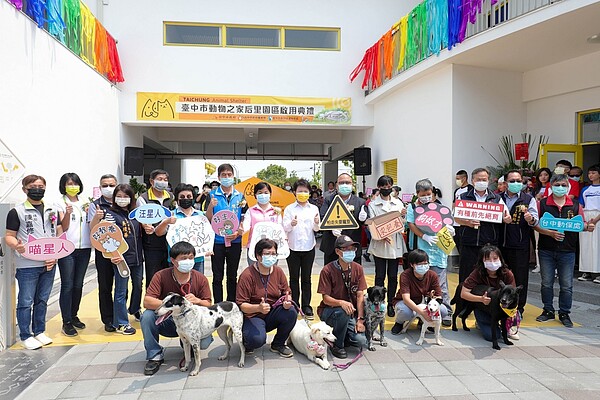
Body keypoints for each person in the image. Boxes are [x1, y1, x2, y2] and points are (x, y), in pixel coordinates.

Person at [141, 241, 213, 375]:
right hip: (168, 321)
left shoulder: (200, 278)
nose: (188, 261)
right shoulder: (161, 276)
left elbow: (208, 304)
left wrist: (197, 301)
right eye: (183, 258)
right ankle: (154, 355)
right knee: (147, 316)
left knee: (204, 343)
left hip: (192, 323)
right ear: (173, 260)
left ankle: (188, 346)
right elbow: (147, 301)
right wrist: (171, 306)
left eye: (191, 258)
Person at [5, 175, 60, 349]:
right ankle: (25, 335)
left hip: (49, 263)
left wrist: (55, 254)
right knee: (25, 301)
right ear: (25, 189)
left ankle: (39, 331)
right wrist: (17, 246)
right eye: (33, 186)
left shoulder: (52, 209)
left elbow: (57, 234)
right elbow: (9, 236)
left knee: (42, 299)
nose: (38, 189)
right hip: (28, 265)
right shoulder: (17, 211)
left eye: (41, 186)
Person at [534, 174, 595, 327]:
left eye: (563, 185)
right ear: (551, 186)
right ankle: (547, 310)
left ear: (567, 186)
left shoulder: (575, 205)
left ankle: (564, 312)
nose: (560, 188)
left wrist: (589, 227)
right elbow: (535, 225)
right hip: (546, 250)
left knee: (566, 284)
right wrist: (550, 233)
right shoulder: (542, 204)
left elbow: (582, 224)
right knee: (546, 283)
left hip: (568, 250)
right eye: (557, 184)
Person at [91, 184, 143, 334]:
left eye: (126, 196)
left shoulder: (135, 214)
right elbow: (103, 235)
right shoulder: (110, 214)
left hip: (138, 258)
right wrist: (113, 255)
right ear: (114, 198)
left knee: (138, 286)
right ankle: (121, 323)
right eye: (119, 196)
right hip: (120, 259)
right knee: (121, 291)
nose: (122, 199)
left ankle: (134, 309)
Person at [236, 238, 297, 357]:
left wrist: (287, 300)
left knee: (291, 312)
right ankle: (247, 341)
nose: (271, 257)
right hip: (253, 315)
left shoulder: (278, 271)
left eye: (273, 254)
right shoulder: (247, 275)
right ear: (258, 256)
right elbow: (242, 305)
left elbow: (286, 291)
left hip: (272, 312)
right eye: (267, 254)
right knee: (256, 340)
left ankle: (278, 344)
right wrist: (258, 308)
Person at [406, 179, 454, 326]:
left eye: (429, 194)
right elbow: (411, 224)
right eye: (423, 194)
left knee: (440, 283)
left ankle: (445, 311)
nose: (426, 197)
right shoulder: (412, 207)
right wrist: (424, 236)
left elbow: (447, 223)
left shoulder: (440, 208)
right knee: (422, 284)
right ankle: (423, 312)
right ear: (417, 194)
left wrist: (451, 230)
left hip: (438, 251)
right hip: (421, 250)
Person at [455, 168, 511, 282]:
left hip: (489, 243)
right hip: (469, 242)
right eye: (478, 179)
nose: (481, 182)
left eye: (484, 179)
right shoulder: (464, 197)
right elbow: (456, 218)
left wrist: (507, 219)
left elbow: (506, 217)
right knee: (466, 275)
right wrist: (467, 223)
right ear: (472, 180)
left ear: (489, 181)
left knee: (487, 276)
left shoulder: (496, 198)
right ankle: (465, 298)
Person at [317, 235, 367, 359]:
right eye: (346, 249)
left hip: (351, 312)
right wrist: (341, 303)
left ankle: (344, 335)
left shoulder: (358, 268)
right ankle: (337, 346)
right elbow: (326, 298)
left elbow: (360, 295)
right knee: (343, 311)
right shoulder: (327, 270)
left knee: (360, 341)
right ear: (338, 252)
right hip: (330, 311)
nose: (351, 252)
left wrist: (360, 319)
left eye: (353, 249)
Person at [55, 173, 92, 337]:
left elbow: (91, 223)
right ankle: (66, 321)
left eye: (75, 183)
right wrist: (68, 213)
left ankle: (74, 315)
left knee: (78, 284)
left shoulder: (86, 202)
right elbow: (63, 227)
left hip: (84, 248)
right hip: (67, 248)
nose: (72, 186)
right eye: (69, 183)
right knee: (67, 285)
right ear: (63, 186)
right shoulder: (59, 203)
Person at [206, 163, 247, 303]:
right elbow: (208, 219)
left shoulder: (240, 197)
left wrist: (238, 232)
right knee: (217, 276)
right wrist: (211, 205)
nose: (227, 177)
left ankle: (231, 303)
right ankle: (218, 304)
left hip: (234, 241)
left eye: (229, 175)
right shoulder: (212, 195)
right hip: (217, 242)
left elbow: (244, 218)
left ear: (233, 177)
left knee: (232, 275)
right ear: (218, 177)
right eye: (224, 175)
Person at [499, 170, 538, 317]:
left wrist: (530, 219)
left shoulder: (528, 199)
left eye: (518, 181)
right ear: (505, 182)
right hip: (500, 245)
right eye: (512, 181)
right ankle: (498, 305)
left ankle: (518, 309)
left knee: (520, 278)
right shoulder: (497, 198)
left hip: (519, 245)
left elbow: (535, 220)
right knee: (500, 277)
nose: (516, 183)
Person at [367, 175, 407, 318]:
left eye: (388, 186)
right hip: (380, 242)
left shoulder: (398, 203)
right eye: (383, 186)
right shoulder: (372, 204)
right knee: (379, 275)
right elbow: (371, 223)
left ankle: (390, 303)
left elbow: (403, 223)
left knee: (392, 276)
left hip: (394, 242)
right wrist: (381, 234)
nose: (386, 188)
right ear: (379, 187)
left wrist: (403, 216)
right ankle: (377, 302)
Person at [460, 245, 517, 341]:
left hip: (503, 307)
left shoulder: (507, 274)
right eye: (488, 259)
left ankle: (507, 326)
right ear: (482, 261)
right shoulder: (477, 273)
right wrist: (481, 299)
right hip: (484, 308)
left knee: (515, 315)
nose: (492, 262)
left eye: (495, 259)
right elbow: (464, 293)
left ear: (500, 259)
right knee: (492, 336)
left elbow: (514, 294)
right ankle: (481, 322)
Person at [283, 179, 320, 319]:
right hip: (292, 248)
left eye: (305, 191)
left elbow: (317, 228)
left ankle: (306, 305)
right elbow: (284, 227)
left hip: (309, 247)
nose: (303, 193)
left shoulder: (314, 209)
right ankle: (294, 304)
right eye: (300, 191)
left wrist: (317, 223)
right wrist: (291, 224)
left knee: (306, 278)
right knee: (293, 278)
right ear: (294, 192)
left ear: (309, 193)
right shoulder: (289, 209)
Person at [87, 174, 118, 332]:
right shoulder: (95, 205)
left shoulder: (123, 201)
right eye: (105, 185)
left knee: (122, 285)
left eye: (111, 185)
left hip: (121, 251)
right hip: (103, 251)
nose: (108, 188)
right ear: (100, 188)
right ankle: (108, 319)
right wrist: (96, 218)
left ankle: (120, 315)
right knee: (105, 286)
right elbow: (91, 229)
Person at [390, 249, 448, 335]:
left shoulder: (432, 275)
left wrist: (431, 308)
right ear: (412, 265)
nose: (423, 266)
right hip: (406, 302)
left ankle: (422, 322)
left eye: (425, 263)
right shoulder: (405, 275)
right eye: (420, 264)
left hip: (424, 303)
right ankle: (399, 323)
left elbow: (438, 295)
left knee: (443, 310)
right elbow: (406, 299)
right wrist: (422, 312)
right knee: (405, 312)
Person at [155, 183, 207, 273]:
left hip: (197, 259)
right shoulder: (170, 215)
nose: (185, 199)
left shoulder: (200, 215)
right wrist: (166, 222)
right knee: (175, 285)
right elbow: (158, 233)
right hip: (176, 259)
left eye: (189, 196)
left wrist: (208, 248)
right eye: (182, 197)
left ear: (193, 198)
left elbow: (206, 235)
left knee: (196, 284)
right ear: (177, 198)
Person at [136, 169, 174, 290]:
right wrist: (145, 225)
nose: (163, 182)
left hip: (170, 243)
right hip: (152, 244)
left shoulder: (171, 197)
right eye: (160, 179)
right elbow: (141, 219)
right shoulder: (143, 198)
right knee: (153, 276)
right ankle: (152, 304)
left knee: (170, 276)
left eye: (165, 180)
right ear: (152, 181)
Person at [319, 173, 368, 265]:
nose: (345, 185)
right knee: (331, 275)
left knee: (353, 275)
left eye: (347, 182)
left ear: (352, 184)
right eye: (341, 183)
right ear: (336, 185)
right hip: (332, 245)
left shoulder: (360, 202)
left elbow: (366, 222)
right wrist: (332, 227)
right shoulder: (329, 200)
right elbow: (323, 217)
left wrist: (363, 219)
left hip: (352, 245)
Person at [241, 181, 283, 265]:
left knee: (271, 274)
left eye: (266, 192)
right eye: (259, 193)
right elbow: (246, 226)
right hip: (254, 248)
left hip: (271, 249)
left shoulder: (276, 211)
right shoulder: (250, 211)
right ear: (255, 195)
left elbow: (280, 228)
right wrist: (241, 230)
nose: (263, 195)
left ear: (270, 195)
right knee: (254, 274)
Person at [578, 164, 600, 283]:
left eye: (594, 173)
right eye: (589, 173)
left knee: (597, 245)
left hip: (598, 217)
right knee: (585, 245)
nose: (591, 175)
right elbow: (581, 205)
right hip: (586, 217)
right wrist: (583, 219)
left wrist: (596, 219)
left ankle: (598, 272)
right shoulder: (585, 189)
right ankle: (586, 270)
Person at [453, 169, 474, 255]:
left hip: (465, 221)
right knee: (457, 241)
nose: (457, 181)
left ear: (464, 178)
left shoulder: (470, 189)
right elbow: (454, 203)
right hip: (456, 221)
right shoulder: (457, 191)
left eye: (458, 178)